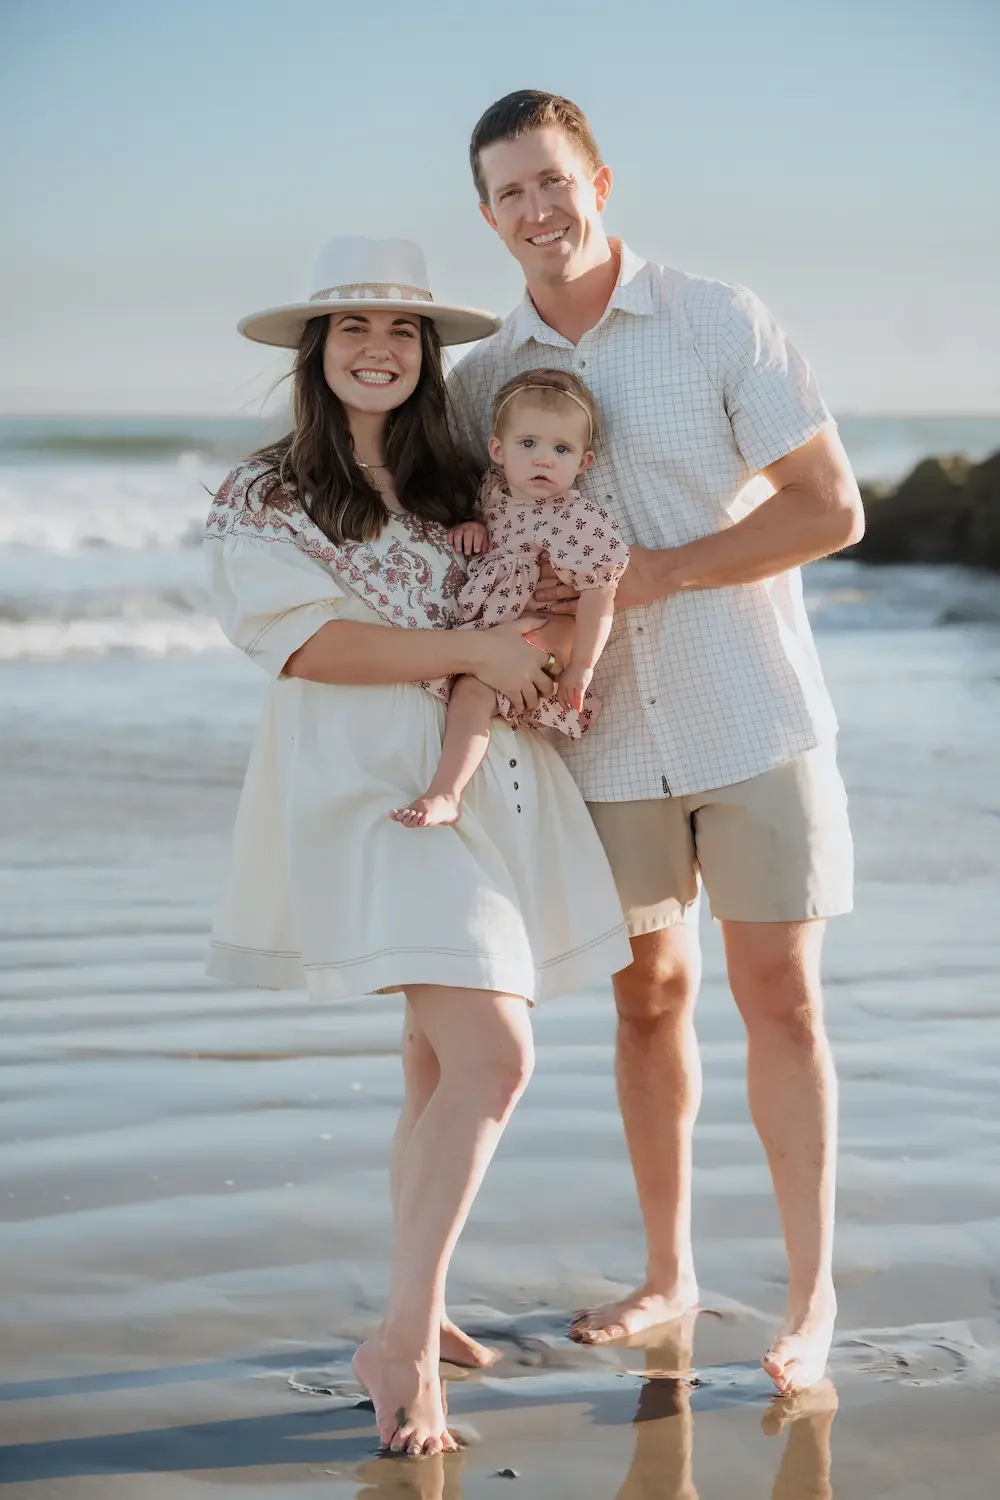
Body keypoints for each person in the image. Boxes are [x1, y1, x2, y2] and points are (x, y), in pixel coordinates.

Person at [448, 91, 865, 1395]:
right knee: (647, 1000)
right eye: (510, 192)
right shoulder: (477, 383)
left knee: (781, 1002)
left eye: (554, 182)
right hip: (604, 744)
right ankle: (669, 1272)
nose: (537, 210)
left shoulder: (714, 319)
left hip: (754, 715)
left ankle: (810, 1302)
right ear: (486, 214)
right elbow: (463, 554)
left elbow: (830, 508)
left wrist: (657, 576)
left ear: (601, 181)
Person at [203, 234, 632, 1455]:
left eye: (402, 331)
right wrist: (474, 655)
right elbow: (298, 646)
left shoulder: (467, 479)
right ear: (315, 349)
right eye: (352, 328)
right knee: (495, 1051)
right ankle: (395, 1338)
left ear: (430, 353)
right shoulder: (269, 492)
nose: (379, 349)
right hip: (361, 791)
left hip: (479, 774)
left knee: (437, 1063)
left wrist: (539, 644)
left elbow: (548, 585)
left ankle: (422, 1304)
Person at [392, 368, 627, 829]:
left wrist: (582, 665)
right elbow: (487, 521)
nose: (543, 460)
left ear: (583, 462)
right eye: (528, 444)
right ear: (497, 451)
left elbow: (602, 595)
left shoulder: (578, 519)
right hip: (487, 627)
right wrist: (472, 524)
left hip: (534, 631)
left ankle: (446, 792)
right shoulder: (492, 490)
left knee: (473, 691)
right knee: (461, 691)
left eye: (561, 449)